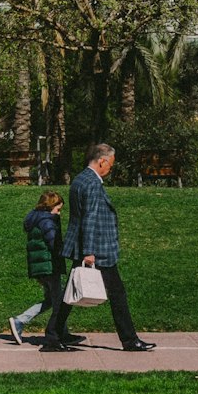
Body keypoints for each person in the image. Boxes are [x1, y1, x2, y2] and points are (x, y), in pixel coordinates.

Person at [42, 142, 156, 353]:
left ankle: (53, 335)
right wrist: (89, 252)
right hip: (97, 249)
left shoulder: (79, 179)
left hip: (85, 245)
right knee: (117, 294)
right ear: (102, 161)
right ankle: (130, 341)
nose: (111, 169)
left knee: (71, 294)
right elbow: (91, 218)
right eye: (110, 164)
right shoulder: (93, 184)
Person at [9, 192, 85, 346]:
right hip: (50, 267)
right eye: (58, 209)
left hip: (40, 268)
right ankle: (55, 334)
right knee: (60, 304)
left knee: (53, 300)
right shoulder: (47, 221)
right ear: (50, 207)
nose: (59, 213)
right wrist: (72, 253)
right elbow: (54, 244)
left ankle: (22, 321)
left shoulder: (35, 218)